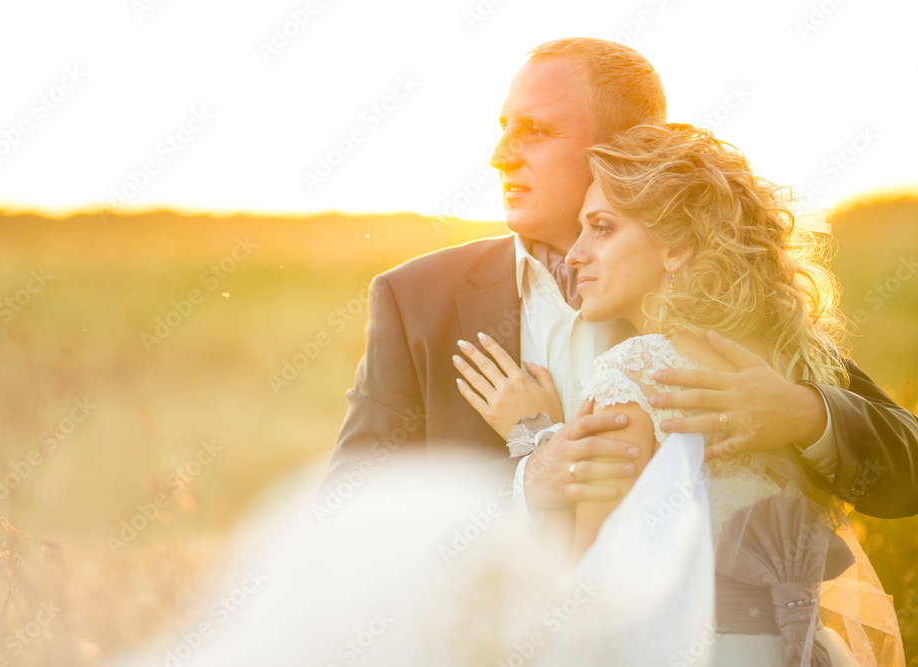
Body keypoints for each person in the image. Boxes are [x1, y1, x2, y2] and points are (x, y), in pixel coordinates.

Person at [322, 37, 918, 525]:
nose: (499, 155)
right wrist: (531, 480)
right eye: (505, 126)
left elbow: (907, 466)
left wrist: (803, 415)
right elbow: (350, 511)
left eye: (536, 130)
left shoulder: (724, 295)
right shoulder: (416, 298)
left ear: (622, 147)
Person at [455, 122, 905, 665]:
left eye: (601, 228)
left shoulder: (634, 372)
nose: (574, 255)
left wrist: (537, 439)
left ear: (676, 248)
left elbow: (588, 599)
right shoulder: (795, 360)